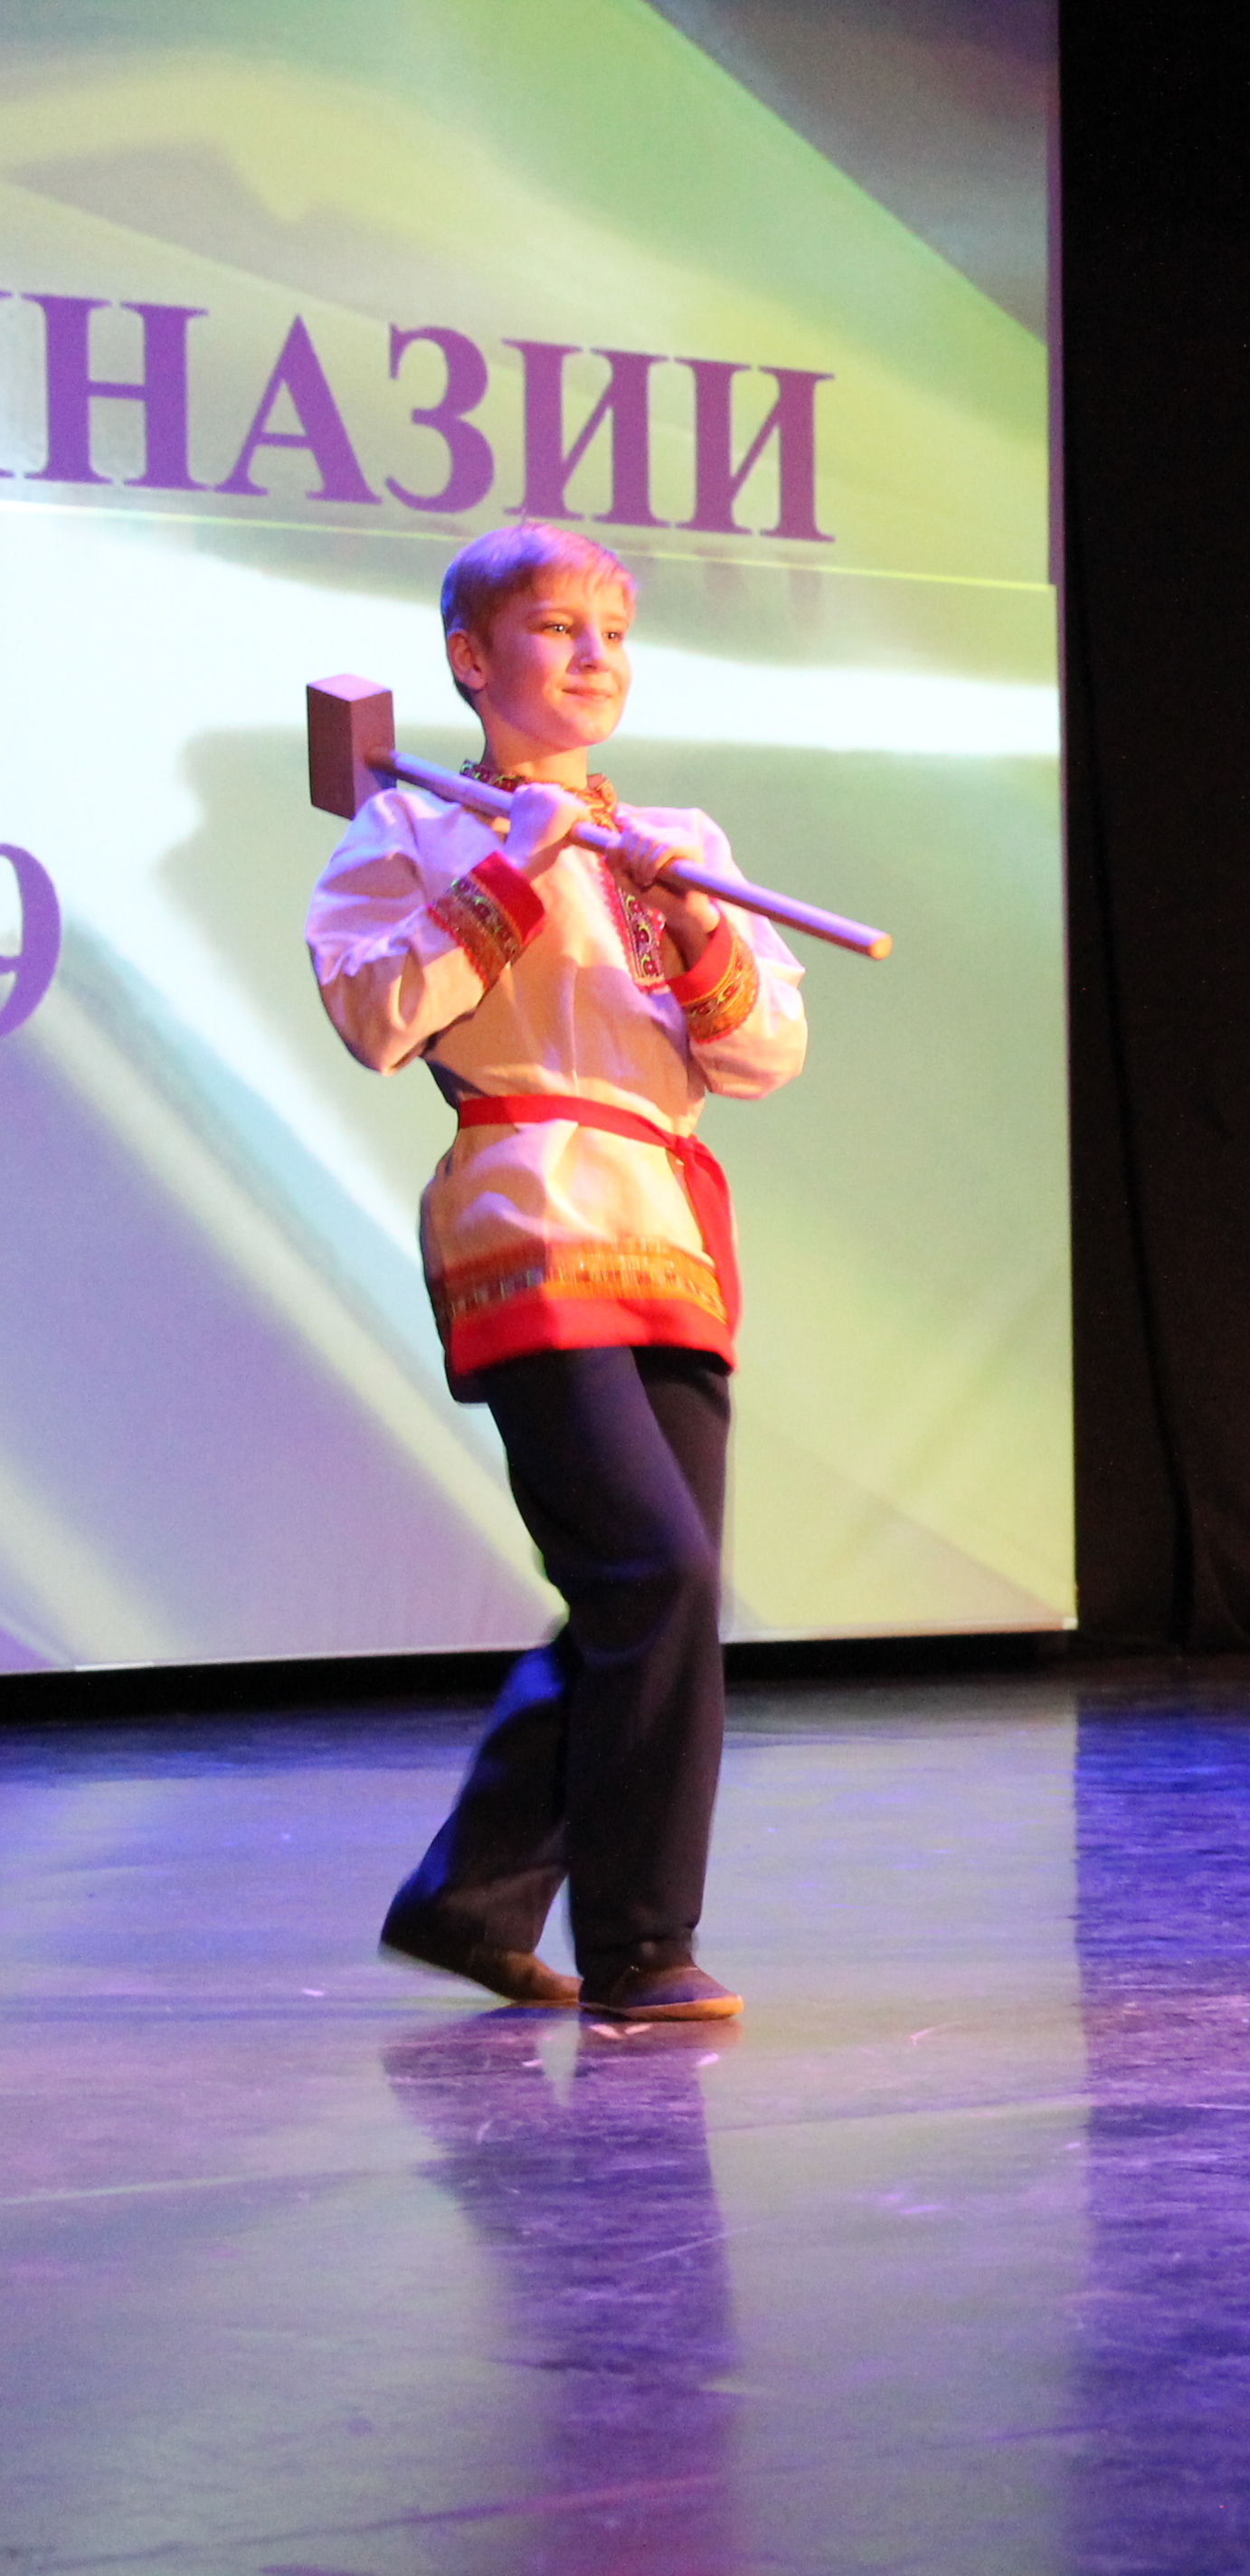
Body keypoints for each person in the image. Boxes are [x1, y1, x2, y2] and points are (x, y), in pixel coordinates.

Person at [310, 522, 809, 2021]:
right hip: (526, 1211)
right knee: (656, 1570)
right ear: (472, 659)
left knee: (644, 1590)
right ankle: (642, 1944)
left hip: (668, 1225)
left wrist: (691, 911)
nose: (595, 656)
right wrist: (514, 868)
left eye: (614, 632)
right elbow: (378, 1016)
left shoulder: (677, 835)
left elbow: (764, 1054)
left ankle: (469, 1899)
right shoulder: (415, 826)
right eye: (556, 628)